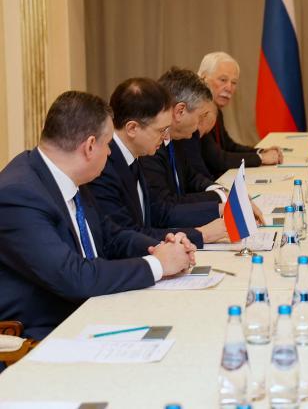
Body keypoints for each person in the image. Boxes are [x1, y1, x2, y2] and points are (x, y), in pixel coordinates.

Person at [0, 91, 195, 340]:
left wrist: (161, 248)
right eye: (107, 145)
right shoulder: (18, 195)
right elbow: (73, 276)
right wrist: (158, 265)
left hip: (93, 311)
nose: (110, 153)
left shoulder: (67, 177)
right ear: (90, 146)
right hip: (42, 335)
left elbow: (111, 235)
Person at [86, 77, 227, 249]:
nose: (167, 137)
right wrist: (200, 234)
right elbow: (125, 236)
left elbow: (155, 213)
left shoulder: (134, 155)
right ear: (132, 128)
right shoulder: (104, 166)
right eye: (161, 130)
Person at [141, 67, 236, 205]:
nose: (200, 125)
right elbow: (165, 208)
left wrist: (220, 190)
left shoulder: (177, 138)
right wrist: (220, 198)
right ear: (180, 111)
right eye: (201, 116)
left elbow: (191, 177)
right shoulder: (149, 146)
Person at [197, 52, 283, 177]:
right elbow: (217, 160)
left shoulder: (215, 110)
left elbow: (229, 146)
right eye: (223, 80)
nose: (229, 88)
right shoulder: (197, 112)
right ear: (203, 78)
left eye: (234, 82)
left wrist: (260, 151)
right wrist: (261, 158)